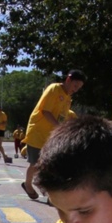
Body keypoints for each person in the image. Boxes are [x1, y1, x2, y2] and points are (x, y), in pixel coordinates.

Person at [22, 69, 86, 199]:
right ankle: (28, 185)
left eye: (79, 88)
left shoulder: (68, 98)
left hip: (51, 135)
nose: (76, 90)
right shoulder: (54, 89)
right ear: (68, 79)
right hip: (38, 132)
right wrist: (59, 127)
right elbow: (46, 111)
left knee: (49, 163)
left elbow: (63, 115)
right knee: (36, 164)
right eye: (75, 86)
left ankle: (49, 192)